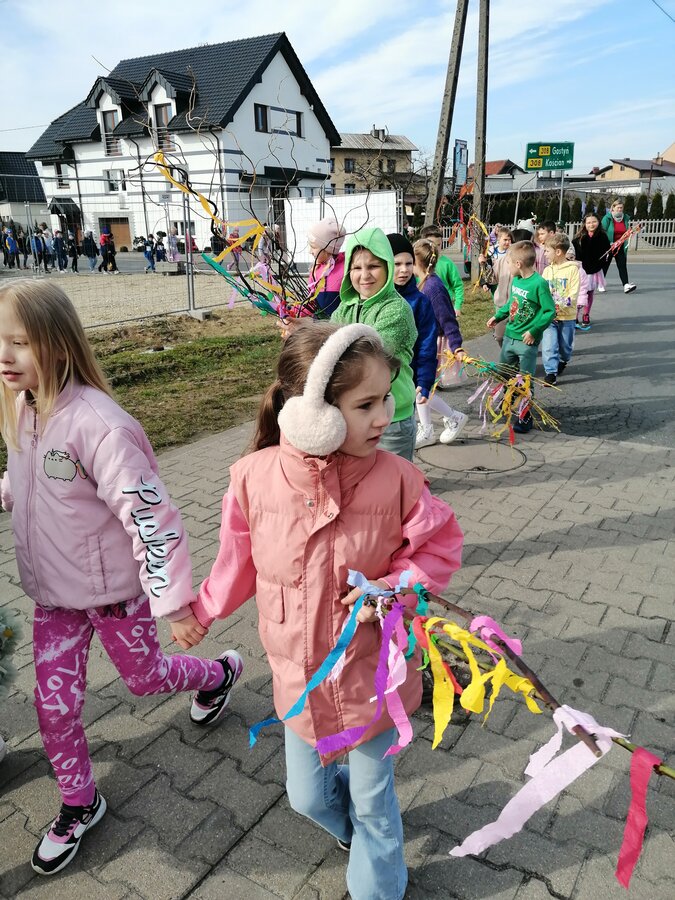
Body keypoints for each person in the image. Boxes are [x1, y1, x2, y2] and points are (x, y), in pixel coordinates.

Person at [191, 321, 464, 900]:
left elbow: (438, 549)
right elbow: (235, 562)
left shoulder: (399, 480)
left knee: (374, 803)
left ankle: (379, 882)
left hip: (374, 678)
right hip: (300, 681)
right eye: (365, 405)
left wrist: (390, 587)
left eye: (386, 397)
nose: (385, 416)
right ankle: (353, 834)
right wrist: (200, 610)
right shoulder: (252, 479)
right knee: (306, 797)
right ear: (312, 412)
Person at [0, 281, 244, 876]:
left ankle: (218, 674)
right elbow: (27, 484)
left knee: (144, 679)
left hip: (113, 596)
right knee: (54, 707)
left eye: (19, 342)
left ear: (57, 343)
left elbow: (151, 518)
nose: (4, 356)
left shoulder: (100, 426)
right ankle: (79, 802)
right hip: (54, 599)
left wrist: (174, 602)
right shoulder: (23, 410)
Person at [332, 227, 418, 461]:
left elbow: (368, 355)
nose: (364, 275)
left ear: (387, 267)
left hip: (392, 419)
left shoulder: (397, 310)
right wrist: (305, 329)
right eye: (356, 268)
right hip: (355, 416)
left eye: (373, 266)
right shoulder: (345, 308)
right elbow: (329, 343)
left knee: (391, 482)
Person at [487, 241, 556, 433]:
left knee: (524, 380)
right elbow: (512, 303)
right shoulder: (516, 281)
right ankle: (509, 402)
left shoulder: (539, 283)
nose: (507, 266)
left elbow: (549, 311)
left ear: (518, 264)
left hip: (526, 342)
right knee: (504, 373)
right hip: (509, 337)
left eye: (508, 263)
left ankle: (525, 416)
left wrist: (534, 331)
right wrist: (498, 316)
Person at [412, 238, 468, 446]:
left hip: (435, 345)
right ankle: (427, 428)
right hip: (425, 342)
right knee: (420, 387)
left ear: (417, 261)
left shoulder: (433, 288)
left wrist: (456, 346)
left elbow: (448, 320)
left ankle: (454, 417)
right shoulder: (421, 283)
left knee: (423, 387)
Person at [541, 233, 580, 385]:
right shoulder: (547, 271)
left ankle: (563, 360)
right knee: (549, 346)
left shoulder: (573, 270)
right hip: (550, 317)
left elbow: (573, 294)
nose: (544, 254)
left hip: (567, 316)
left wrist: (561, 305)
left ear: (558, 251)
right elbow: (542, 291)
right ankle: (551, 372)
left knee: (565, 347)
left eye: (547, 251)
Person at [572, 213, 611, 331]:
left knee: (589, 293)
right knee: (578, 293)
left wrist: (602, 262)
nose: (591, 224)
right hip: (581, 269)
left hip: (594, 269)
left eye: (594, 222)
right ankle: (574, 315)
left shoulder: (602, 237)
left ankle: (586, 314)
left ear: (598, 222)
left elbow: (606, 253)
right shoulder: (579, 238)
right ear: (584, 224)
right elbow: (574, 253)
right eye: (588, 222)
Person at [419, 224, 465, 315]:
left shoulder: (447, 263)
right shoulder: (417, 264)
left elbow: (458, 286)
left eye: (439, 245)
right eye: (432, 245)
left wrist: (457, 306)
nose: (435, 248)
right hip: (423, 308)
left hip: (445, 307)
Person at [480, 227, 513, 347]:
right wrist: (485, 283)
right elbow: (490, 274)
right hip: (498, 286)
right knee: (500, 304)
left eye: (509, 240)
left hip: (510, 289)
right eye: (505, 240)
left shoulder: (513, 254)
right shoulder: (492, 252)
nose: (507, 242)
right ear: (498, 240)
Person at [307, 216, 346, 318]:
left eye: (313, 247)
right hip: (318, 325)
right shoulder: (315, 270)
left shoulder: (345, 268)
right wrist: (292, 311)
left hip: (340, 324)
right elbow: (310, 303)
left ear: (327, 249)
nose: (310, 251)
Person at [601, 199, 636, 293]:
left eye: (621, 208)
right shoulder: (607, 218)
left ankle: (626, 285)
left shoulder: (625, 218)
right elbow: (602, 232)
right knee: (605, 265)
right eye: (618, 208)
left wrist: (630, 232)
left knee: (622, 265)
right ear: (613, 208)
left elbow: (626, 230)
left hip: (620, 246)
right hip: (609, 246)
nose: (620, 210)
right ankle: (600, 283)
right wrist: (607, 243)